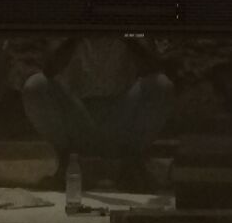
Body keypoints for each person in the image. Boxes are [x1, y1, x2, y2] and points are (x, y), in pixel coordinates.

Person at [20, 34, 173, 190]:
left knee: (161, 85)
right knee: (36, 85)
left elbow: (153, 68)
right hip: (78, 117)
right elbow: (48, 70)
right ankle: (68, 164)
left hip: (122, 119)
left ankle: (131, 165)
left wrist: (126, 33)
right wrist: (77, 34)